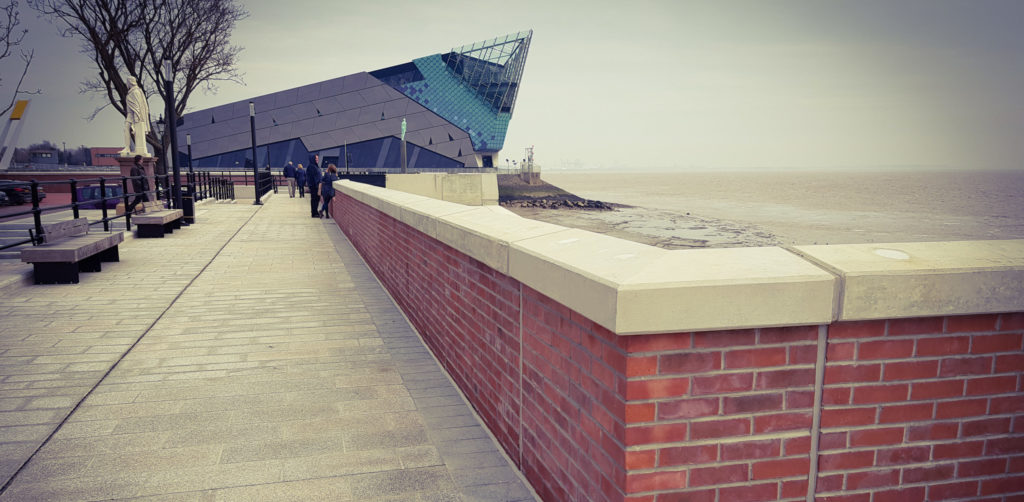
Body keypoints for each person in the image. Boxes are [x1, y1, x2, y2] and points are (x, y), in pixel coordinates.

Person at [120, 76, 150, 156]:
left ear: (130, 82)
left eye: (127, 82)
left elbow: (138, 105)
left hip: (134, 114)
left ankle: (129, 147)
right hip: (130, 114)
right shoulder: (132, 91)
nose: (126, 84)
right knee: (125, 128)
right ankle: (127, 147)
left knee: (127, 128)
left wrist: (137, 118)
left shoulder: (135, 91)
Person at [306, 154, 322, 218]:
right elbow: (313, 177)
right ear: (313, 159)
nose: (317, 160)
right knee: (315, 199)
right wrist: (316, 185)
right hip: (314, 186)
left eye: (318, 158)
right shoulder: (311, 167)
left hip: (316, 186)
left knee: (316, 199)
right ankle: (314, 213)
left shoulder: (315, 166)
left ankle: (315, 212)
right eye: (316, 159)